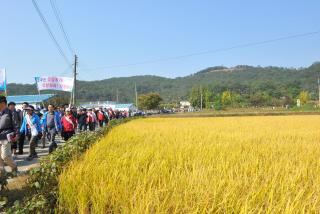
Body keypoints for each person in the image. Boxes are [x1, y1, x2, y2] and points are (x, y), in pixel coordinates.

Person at [0, 96, 18, 176]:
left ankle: (14, 167)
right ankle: (2, 174)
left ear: (3, 103)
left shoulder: (10, 112)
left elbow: (15, 125)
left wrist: (17, 134)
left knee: (5, 156)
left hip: (6, 136)